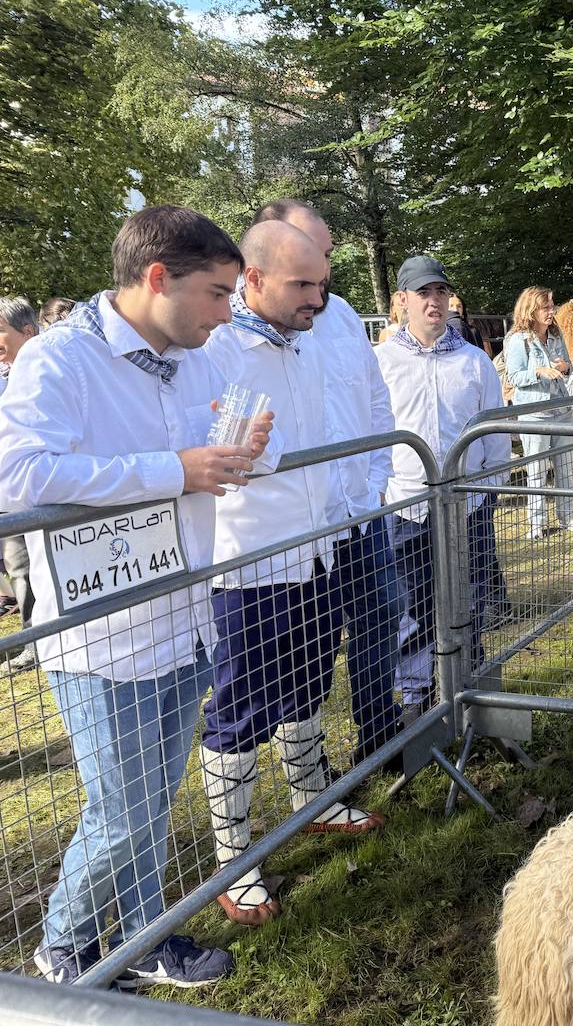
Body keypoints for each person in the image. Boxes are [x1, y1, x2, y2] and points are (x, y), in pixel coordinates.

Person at [0, 205, 274, 987]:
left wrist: (246, 451)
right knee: (120, 812)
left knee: (151, 804)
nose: (229, 313)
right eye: (219, 293)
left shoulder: (202, 355)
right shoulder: (59, 361)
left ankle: (145, 933)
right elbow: (17, 477)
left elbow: (232, 444)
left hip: (184, 619)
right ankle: (64, 948)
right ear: (159, 279)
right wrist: (173, 468)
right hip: (102, 638)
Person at [200, 220, 384, 928]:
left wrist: (351, 499)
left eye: (321, 281)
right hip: (247, 562)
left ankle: (311, 795)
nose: (319, 295)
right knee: (242, 707)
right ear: (253, 278)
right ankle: (233, 854)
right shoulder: (216, 347)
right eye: (302, 284)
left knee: (310, 681)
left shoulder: (306, 342)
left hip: (318, 549)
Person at [251, 199, 405, 770]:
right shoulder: (236, 336)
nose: (324, 270)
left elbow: (373, 397)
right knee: (305, 650)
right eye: (311, 255)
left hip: (357, 509)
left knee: (381, 614)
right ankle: (309, 775)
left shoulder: (339, 314)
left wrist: (375, 477)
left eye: (329, 256)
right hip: (293, 527)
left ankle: (379, 730)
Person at [375, 255, 511, 713]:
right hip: (405, 504)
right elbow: (372, 430)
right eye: (423, 293)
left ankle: (469, 683)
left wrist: (492, 484)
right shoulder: (382, 362)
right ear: (402, 301)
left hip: (466, 503)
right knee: (410, 602)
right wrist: (377, 488)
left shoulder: (474, 362)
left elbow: (493, 428)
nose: (434, 302)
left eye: (439, 292)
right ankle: (415, 693)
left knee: (468, 594)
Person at [506, 285, 573, 538]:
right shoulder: (518, 340)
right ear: (531, 309)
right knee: (536, 470)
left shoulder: (555, 334)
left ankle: (567, 516)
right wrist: (539, 371)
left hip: (561, 407)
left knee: (565, 467)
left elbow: (568, 366)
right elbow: (514, 376)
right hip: (535, 411)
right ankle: (536, 524)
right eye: (546, 307)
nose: (552, 311)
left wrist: (565, 366)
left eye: (552, 306)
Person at [0, 297, 41, 668]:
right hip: (8, 495)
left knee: (30, 568)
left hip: (37, 499)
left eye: (0, 331)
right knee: (18, 567)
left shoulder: (45, 374)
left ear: (26, 331)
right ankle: (32, 639)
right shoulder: (5, 376)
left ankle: (38, 641)